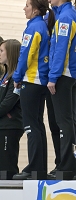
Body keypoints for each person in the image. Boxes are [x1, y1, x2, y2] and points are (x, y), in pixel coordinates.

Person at [45, 0, 76, 177]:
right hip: (73, 75)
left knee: (65, 122)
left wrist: (53, 77)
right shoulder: (75, 14)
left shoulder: (65, 18)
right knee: (70, 121)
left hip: (64, 74)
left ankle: (67, 166)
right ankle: (73, 164)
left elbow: (61, 49)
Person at [12, 0, 55, 180]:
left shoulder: (34, 27)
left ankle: (34, 169)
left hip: (32, 79)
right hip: (42, 81)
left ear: (36, 10)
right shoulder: (43, 26)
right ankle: (38, 169)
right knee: (37, 125)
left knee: (31, 126)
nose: (24, 8)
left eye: (27, 5)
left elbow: (26, 54)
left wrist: (17, 76)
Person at [0, 39, 23, 179]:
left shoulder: (17, 77)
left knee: (6, 167)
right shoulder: (5, 76)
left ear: (11, 53)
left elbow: (8, 103)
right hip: (2, 125)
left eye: (2, 51)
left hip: (10, 126)